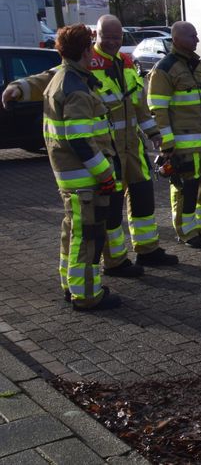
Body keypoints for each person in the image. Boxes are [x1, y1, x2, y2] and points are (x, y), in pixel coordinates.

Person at [3, 15, 178, 274]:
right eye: (107, 36)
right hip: (108, 152)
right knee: (111, 211)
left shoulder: (127, 63)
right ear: (96, 36)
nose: (112, 41)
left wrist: (156, 136)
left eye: (117, 37)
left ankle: (148, 250)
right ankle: (115, 261)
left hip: (133, 149)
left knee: (143, 202)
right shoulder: (85, 62)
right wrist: (19, 87)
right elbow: (49, 78)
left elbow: (139, 106)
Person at [42, 25, 121, 310]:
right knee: (87, 239)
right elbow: (80, 141)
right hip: (84, 178)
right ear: (86, 50)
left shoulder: (64, 78)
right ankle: (87, 294)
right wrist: (106, 175)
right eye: (90, 47)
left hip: (71, 177)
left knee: (73, 234)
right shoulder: (75, 88)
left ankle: (71, 285)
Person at [147, 22, 201, 248]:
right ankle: (186, 231)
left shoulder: (196, 65)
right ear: (177, 39)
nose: (197, 40)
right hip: (183, 146)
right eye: (192, 36)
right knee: (186, 188)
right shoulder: (164, 69)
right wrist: (166, 145)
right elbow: (158, 110)